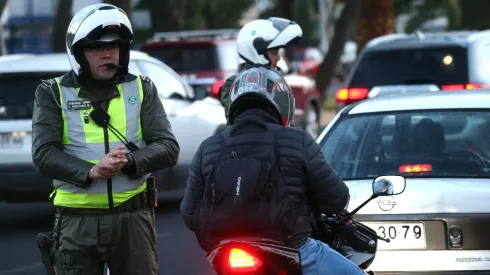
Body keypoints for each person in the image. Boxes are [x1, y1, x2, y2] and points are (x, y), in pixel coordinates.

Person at [31, 4, 179, 275]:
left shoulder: (142, 88)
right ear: (78, 53)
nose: (107, 54)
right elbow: (43, 154)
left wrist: (130, 161)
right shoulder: (52, 93)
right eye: (96, 48)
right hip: (77, 223)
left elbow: (168, 147)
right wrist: (91, 171)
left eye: (114, 47)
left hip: (133, 220)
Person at [180, 66, 364, 275]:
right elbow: (336, 199)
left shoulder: (209, 146)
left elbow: (188, 214)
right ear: (283, 103)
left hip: (223, 253)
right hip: (293, 249)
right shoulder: (297, 139)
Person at [217, 17, 302, 125]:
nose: (278, 58)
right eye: (274, 53)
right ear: (257, 51)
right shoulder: (235, 84)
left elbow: (287, 122)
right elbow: (239, 121)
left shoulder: (275, 82)